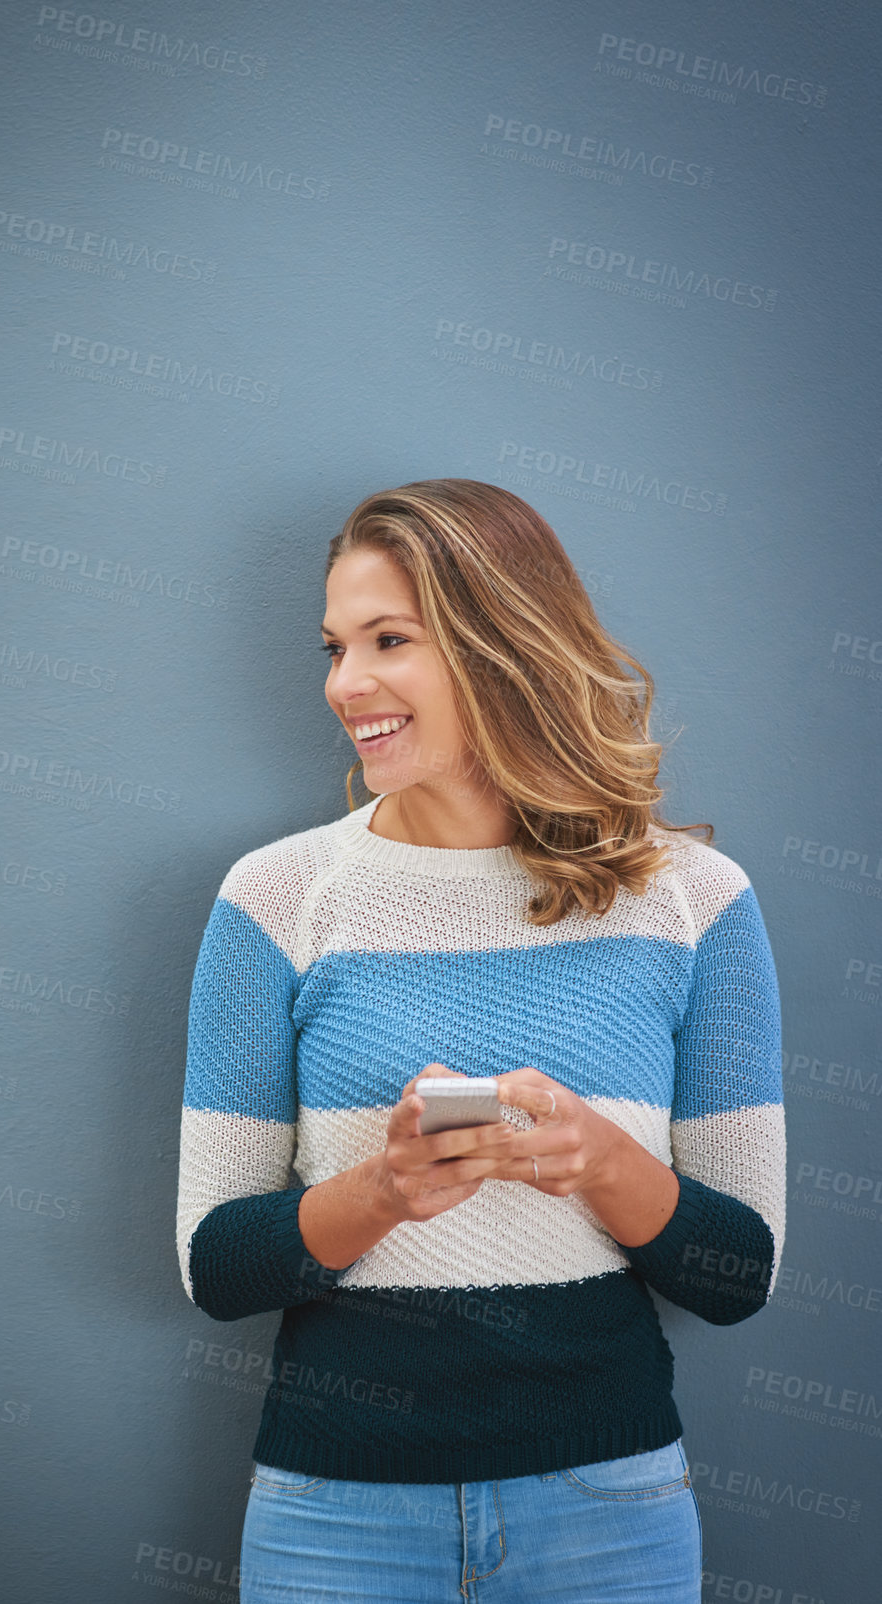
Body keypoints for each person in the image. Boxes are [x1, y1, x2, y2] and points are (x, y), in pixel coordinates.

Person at [175, 479, 785, 1603]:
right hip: (334, 1516)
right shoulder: (275, 897)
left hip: (608, 1509)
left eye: (389, 639)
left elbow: (738, 1273)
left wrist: (599, 1159)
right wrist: (387, 1185)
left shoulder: (693, 900)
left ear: (501, 643)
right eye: (336, 644)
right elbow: (216, 1265)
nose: (344, 683)